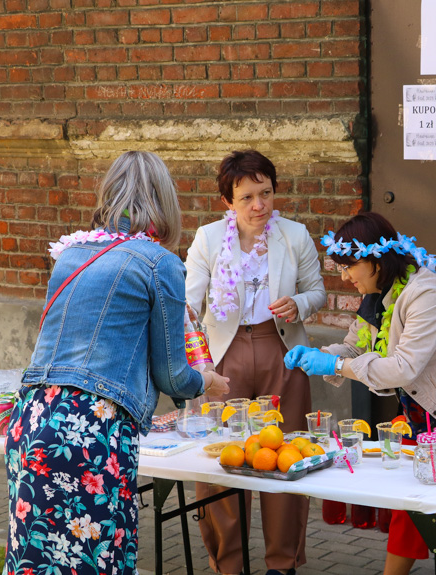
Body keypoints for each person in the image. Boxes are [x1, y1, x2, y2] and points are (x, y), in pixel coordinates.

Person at [4, 151, 230, 575]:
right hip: (91, 428)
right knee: (95, 562)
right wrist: (208, 382)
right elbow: (173, 376)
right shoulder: (160, 263)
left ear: (107, 194)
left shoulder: (72, 254)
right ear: (165, 202)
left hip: (31, 418)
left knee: (36, 562)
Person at [284, 212, 436, 575]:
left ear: (377, 260)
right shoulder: (376, 294)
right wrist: (320, 356)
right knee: (409, 501)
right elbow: (355, 348)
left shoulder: (427, 294)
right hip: (423, 412)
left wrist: (337, 368)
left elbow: (404, 367)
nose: (344, 277)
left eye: (349, 266)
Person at [184, 149, 326, 575]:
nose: (259, 206)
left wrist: (298, 303)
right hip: (223, 356)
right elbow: (190, 303)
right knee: (223, 460)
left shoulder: (294, 235)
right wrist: (192, 361)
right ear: (227, 201)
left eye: (265, 194)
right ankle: (229, 563)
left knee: (285, 456)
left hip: (281, 350)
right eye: (246, 197)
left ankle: (282, 564)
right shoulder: (207, 239)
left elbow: (317, 292)